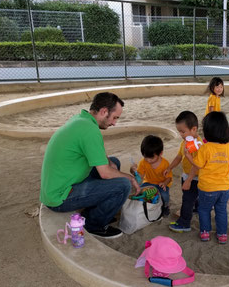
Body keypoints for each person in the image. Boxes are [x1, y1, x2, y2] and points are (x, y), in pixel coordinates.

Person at [40, 92, 139, 239]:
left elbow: (99, 153)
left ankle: (100, 210)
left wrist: (110, 163)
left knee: (114, 162)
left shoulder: (82, 120)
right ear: (104, 111)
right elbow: (105, 173)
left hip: (62, 184)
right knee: (123, 185)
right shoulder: (89, 130)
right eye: (114, 117)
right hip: (59, 197)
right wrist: (130, 178)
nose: (114, 123)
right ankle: (94, 225)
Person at [184, 111, 229, 244]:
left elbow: (198, 164)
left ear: (208, 131)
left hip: (207, 188)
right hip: (224, 188)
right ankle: (222, 234)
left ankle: (205, 232)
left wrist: (189, 157)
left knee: (204, 210)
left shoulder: (205, 148)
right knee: (221, 211)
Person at [164, 111, 202, 232]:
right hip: (186, 175)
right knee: (194, 197)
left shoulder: (198, 145)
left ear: (194, 129)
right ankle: (196, 208)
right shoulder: (185, 142)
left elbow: (197, 166)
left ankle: (184, 223)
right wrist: (170, 167)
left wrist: (189, 180)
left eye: (182, 131)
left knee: (187, 200)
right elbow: (179, 157)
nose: (180, 134)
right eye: (179, 131)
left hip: (194, 178)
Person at [131, 135, 172, 217]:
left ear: (160, 153)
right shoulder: (143, 162)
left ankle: (166, 207)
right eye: (145, 157)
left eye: (151, 158)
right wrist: (133, 171)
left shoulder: (165, 164)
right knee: (140, 192)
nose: (148, 160)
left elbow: (169, 178)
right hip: (148, 183)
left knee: (164, 195)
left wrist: (164, 183)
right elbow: (140, 177)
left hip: (161, 184)